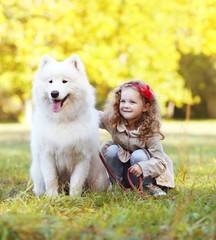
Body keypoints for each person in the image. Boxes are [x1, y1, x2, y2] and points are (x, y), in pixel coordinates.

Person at [99, 80, 175, 197]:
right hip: (123, 173)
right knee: (111, 150)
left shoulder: (149, 130)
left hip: (142, 174)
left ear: (145, 106)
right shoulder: (114, 120)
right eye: (123, 101)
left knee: (139, 154)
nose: (126, 106)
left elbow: (160, 162)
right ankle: (116, 185)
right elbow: (93, 116)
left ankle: (147, 186)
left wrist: (143, 167)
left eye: (132, 102)